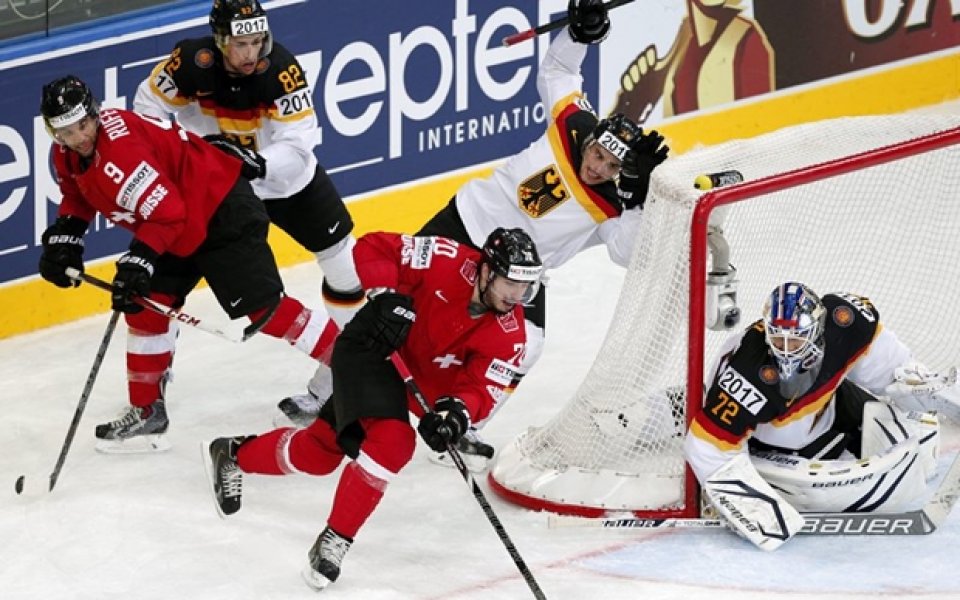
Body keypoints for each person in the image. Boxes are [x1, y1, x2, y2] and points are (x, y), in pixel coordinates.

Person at [274, 0, 672, 463]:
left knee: (530, 345)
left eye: (613, 165)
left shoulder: (618, 202)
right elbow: (559, 70)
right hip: (464, 225)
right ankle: (324, 392)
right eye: (599, 154)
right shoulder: (572, 124)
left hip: (520, 270)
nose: (599, 167)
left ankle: (461, 420)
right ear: (594, 136)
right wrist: (582, 34)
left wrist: (643, 197)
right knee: (393, 309)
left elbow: (626, 252)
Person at [203, 227, 543, 590]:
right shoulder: (446, 258)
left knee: (319, 454)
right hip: (372, 348)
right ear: (486, 270)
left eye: (525, 287)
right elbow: (375, 246)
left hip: (408, 384)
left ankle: (234, 453)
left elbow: (481, 388)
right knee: (394, 442)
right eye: (510, 282)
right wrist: (385, 294)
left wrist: (455, 413)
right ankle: (334, 541)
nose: (516, 295)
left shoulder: (511, 333)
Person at [38, 75, 343, 453]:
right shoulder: (67, 153)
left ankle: (355, 363)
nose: (78, 137)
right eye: (66, 131)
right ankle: (148, 413)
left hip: (220, 210)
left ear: (95, 114)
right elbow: (77, 193)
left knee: (267, 313)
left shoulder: (120, 154)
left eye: (82, 125)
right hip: (177, 217)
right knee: (147, 307)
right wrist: (67, 235)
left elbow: (169, 214)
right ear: (54, 132)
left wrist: (139, 260)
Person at [132, 0, 364, 424]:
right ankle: (153, 381)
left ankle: (338, 381)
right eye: (241, 43)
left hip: (285, 183)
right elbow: (147, 107)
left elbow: (298, 144)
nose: (251, 53)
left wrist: (254, 163)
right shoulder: (191, 63)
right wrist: (182, 154)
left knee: (347, 273)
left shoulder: (281, 70)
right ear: (220, 41)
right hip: (216, 192)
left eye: (258, 41)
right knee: (158, 284)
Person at [684, 281, 954, 550]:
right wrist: (755, 510)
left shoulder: (845, 320)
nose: (786, 350)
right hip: (769, 431)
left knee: (921, 433)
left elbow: (891, 369)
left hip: (828, 400)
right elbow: (706, 446)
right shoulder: (748, 373)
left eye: (796, 339)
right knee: (840, 480)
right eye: (778, 338)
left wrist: (925, 386)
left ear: (817, 327)